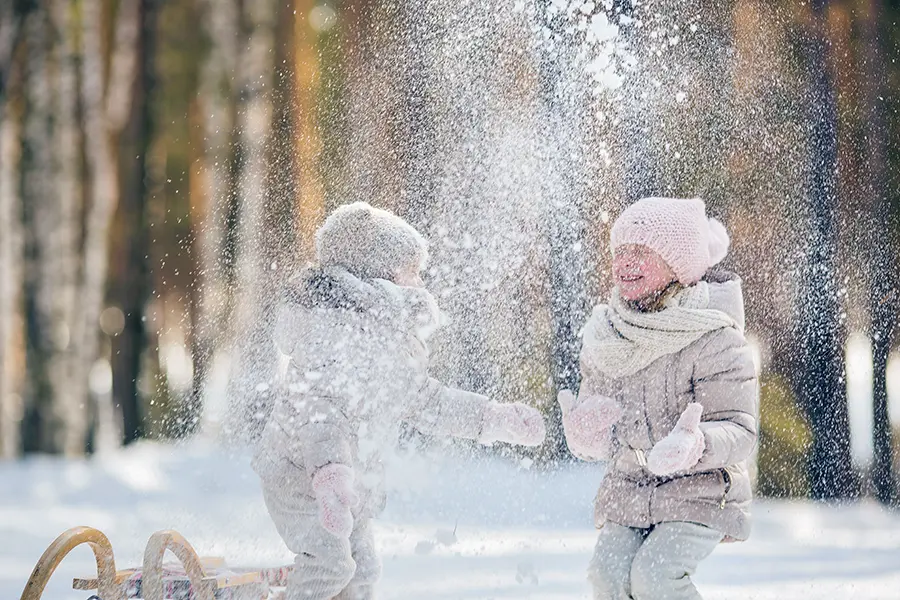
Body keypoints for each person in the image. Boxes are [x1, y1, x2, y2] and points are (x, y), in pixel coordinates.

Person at [253, 201, 546, 600]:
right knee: (329, 564)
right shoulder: (330, 333)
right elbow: (318, 412)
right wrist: (330, 474)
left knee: (362, 569)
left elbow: (430, 402)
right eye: (412, 271)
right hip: (300, 478)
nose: (421, 282)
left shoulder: (385, 342)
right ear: (381, 276)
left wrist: (491, 418)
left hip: (345, 484)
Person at [559, 197, 759, 600]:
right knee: (607, 578)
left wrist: (696, 443)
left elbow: (741, 429)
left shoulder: (715, 338)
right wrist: (588, 435)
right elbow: (603, 425)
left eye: (641, 252)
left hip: (699, 491)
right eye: (620, 252)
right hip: (630, 491)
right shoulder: (608, 336)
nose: (625, 262)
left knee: (655, 578)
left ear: (678, 266)